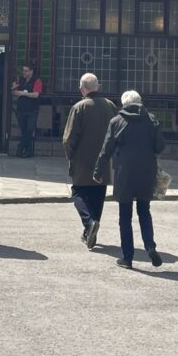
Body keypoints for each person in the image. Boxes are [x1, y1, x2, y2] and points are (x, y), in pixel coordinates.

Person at [94, 90, 165, 269]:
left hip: (124, 173)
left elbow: (106, 149)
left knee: (125, 216)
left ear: (124, 104)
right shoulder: (151, 119)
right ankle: (150, 246)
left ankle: (128, 257)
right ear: (140, 102)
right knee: (144, 211)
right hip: (146, 172)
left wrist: (98, 171)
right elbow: (160, 146)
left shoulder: (117, 121)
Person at [63, 72, 117, 249]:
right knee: (98, 195)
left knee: (78, 192)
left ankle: (89, 223)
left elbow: (68, 139)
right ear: (98, 87)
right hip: (104, 160)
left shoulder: (80, 107)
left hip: (83, 160)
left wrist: (71, 156)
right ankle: (91, 229)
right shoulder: (110, 106)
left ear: (82, 89)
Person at [11, 62, 42, 158]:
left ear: (31, 71)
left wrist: (23, 93)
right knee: (24, 131)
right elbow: (14, 92)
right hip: (21, 110)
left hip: (32, 110)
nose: (24, 72)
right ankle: (28, 151)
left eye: (26, 71)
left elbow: (36, 94)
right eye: (23, 70)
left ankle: (20, 148)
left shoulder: (37, 81)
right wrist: (14, 89)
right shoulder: (21, 80)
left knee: (29, 130)